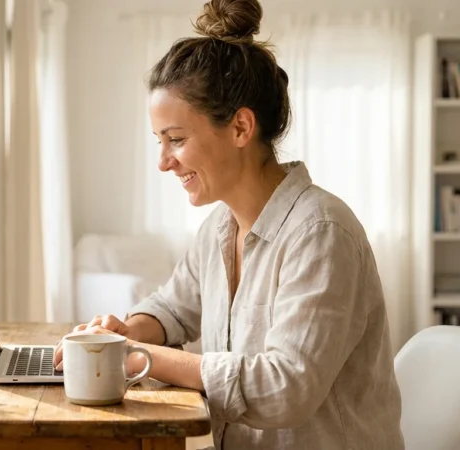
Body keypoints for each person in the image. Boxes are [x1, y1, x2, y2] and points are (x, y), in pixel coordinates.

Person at [53, 0, 405, 448]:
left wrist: (138, 357)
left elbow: (285, 388)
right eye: (159, 142)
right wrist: (127, 330)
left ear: (240, 127)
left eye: (176, 140)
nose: (163, 163)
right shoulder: (220, 227)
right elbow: (175, 307)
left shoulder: (321, 233)